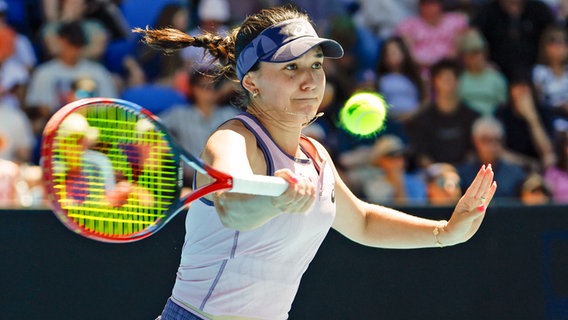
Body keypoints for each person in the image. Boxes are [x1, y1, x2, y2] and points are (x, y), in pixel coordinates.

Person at [135, 6, 497, 319]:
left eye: (316, 64)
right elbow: (233, 207)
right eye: (291, 67)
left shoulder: (316, 157)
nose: (310, 80)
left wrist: (444, 232)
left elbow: (365, 222)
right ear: (252, 82)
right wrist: (275, 202)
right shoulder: (233, 139)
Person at [405, 58, 481, 168]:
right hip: (433, 177)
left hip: (466, 176)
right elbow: (422, 156)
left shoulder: (473, 117)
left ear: (458, 81)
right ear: (435, 81)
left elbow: (474, 153)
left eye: (452, 78)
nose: (448, 83)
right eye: (444, 78)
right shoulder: (422, 119)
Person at [457, 116, 526, 202]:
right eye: (485, 140)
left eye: (497, 140)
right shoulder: (462, 173)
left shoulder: (515, 174)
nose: (491, 146)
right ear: (475, 140)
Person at [346, 134, 427, 205]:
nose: (398, 160)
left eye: (401, 155)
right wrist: (397, 182)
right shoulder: (374, 185)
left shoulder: (415, 181)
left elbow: (416, 212)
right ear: (380, 160)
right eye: (392, 156)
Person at [457, 28, 508, 116]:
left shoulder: (497, 79)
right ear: (464, 58)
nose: (473, 59)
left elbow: (502, 105)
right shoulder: (459, 80)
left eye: (477, 53)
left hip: (491, 122)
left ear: (484, 54)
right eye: (469, 55)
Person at [532, 24, 568, 132]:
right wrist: (560, 107)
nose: (562, 47)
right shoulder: (539, 72)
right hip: (551, 121)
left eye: (565, 42)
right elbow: (539, 102)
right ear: (546, 47)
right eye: (557, 43)